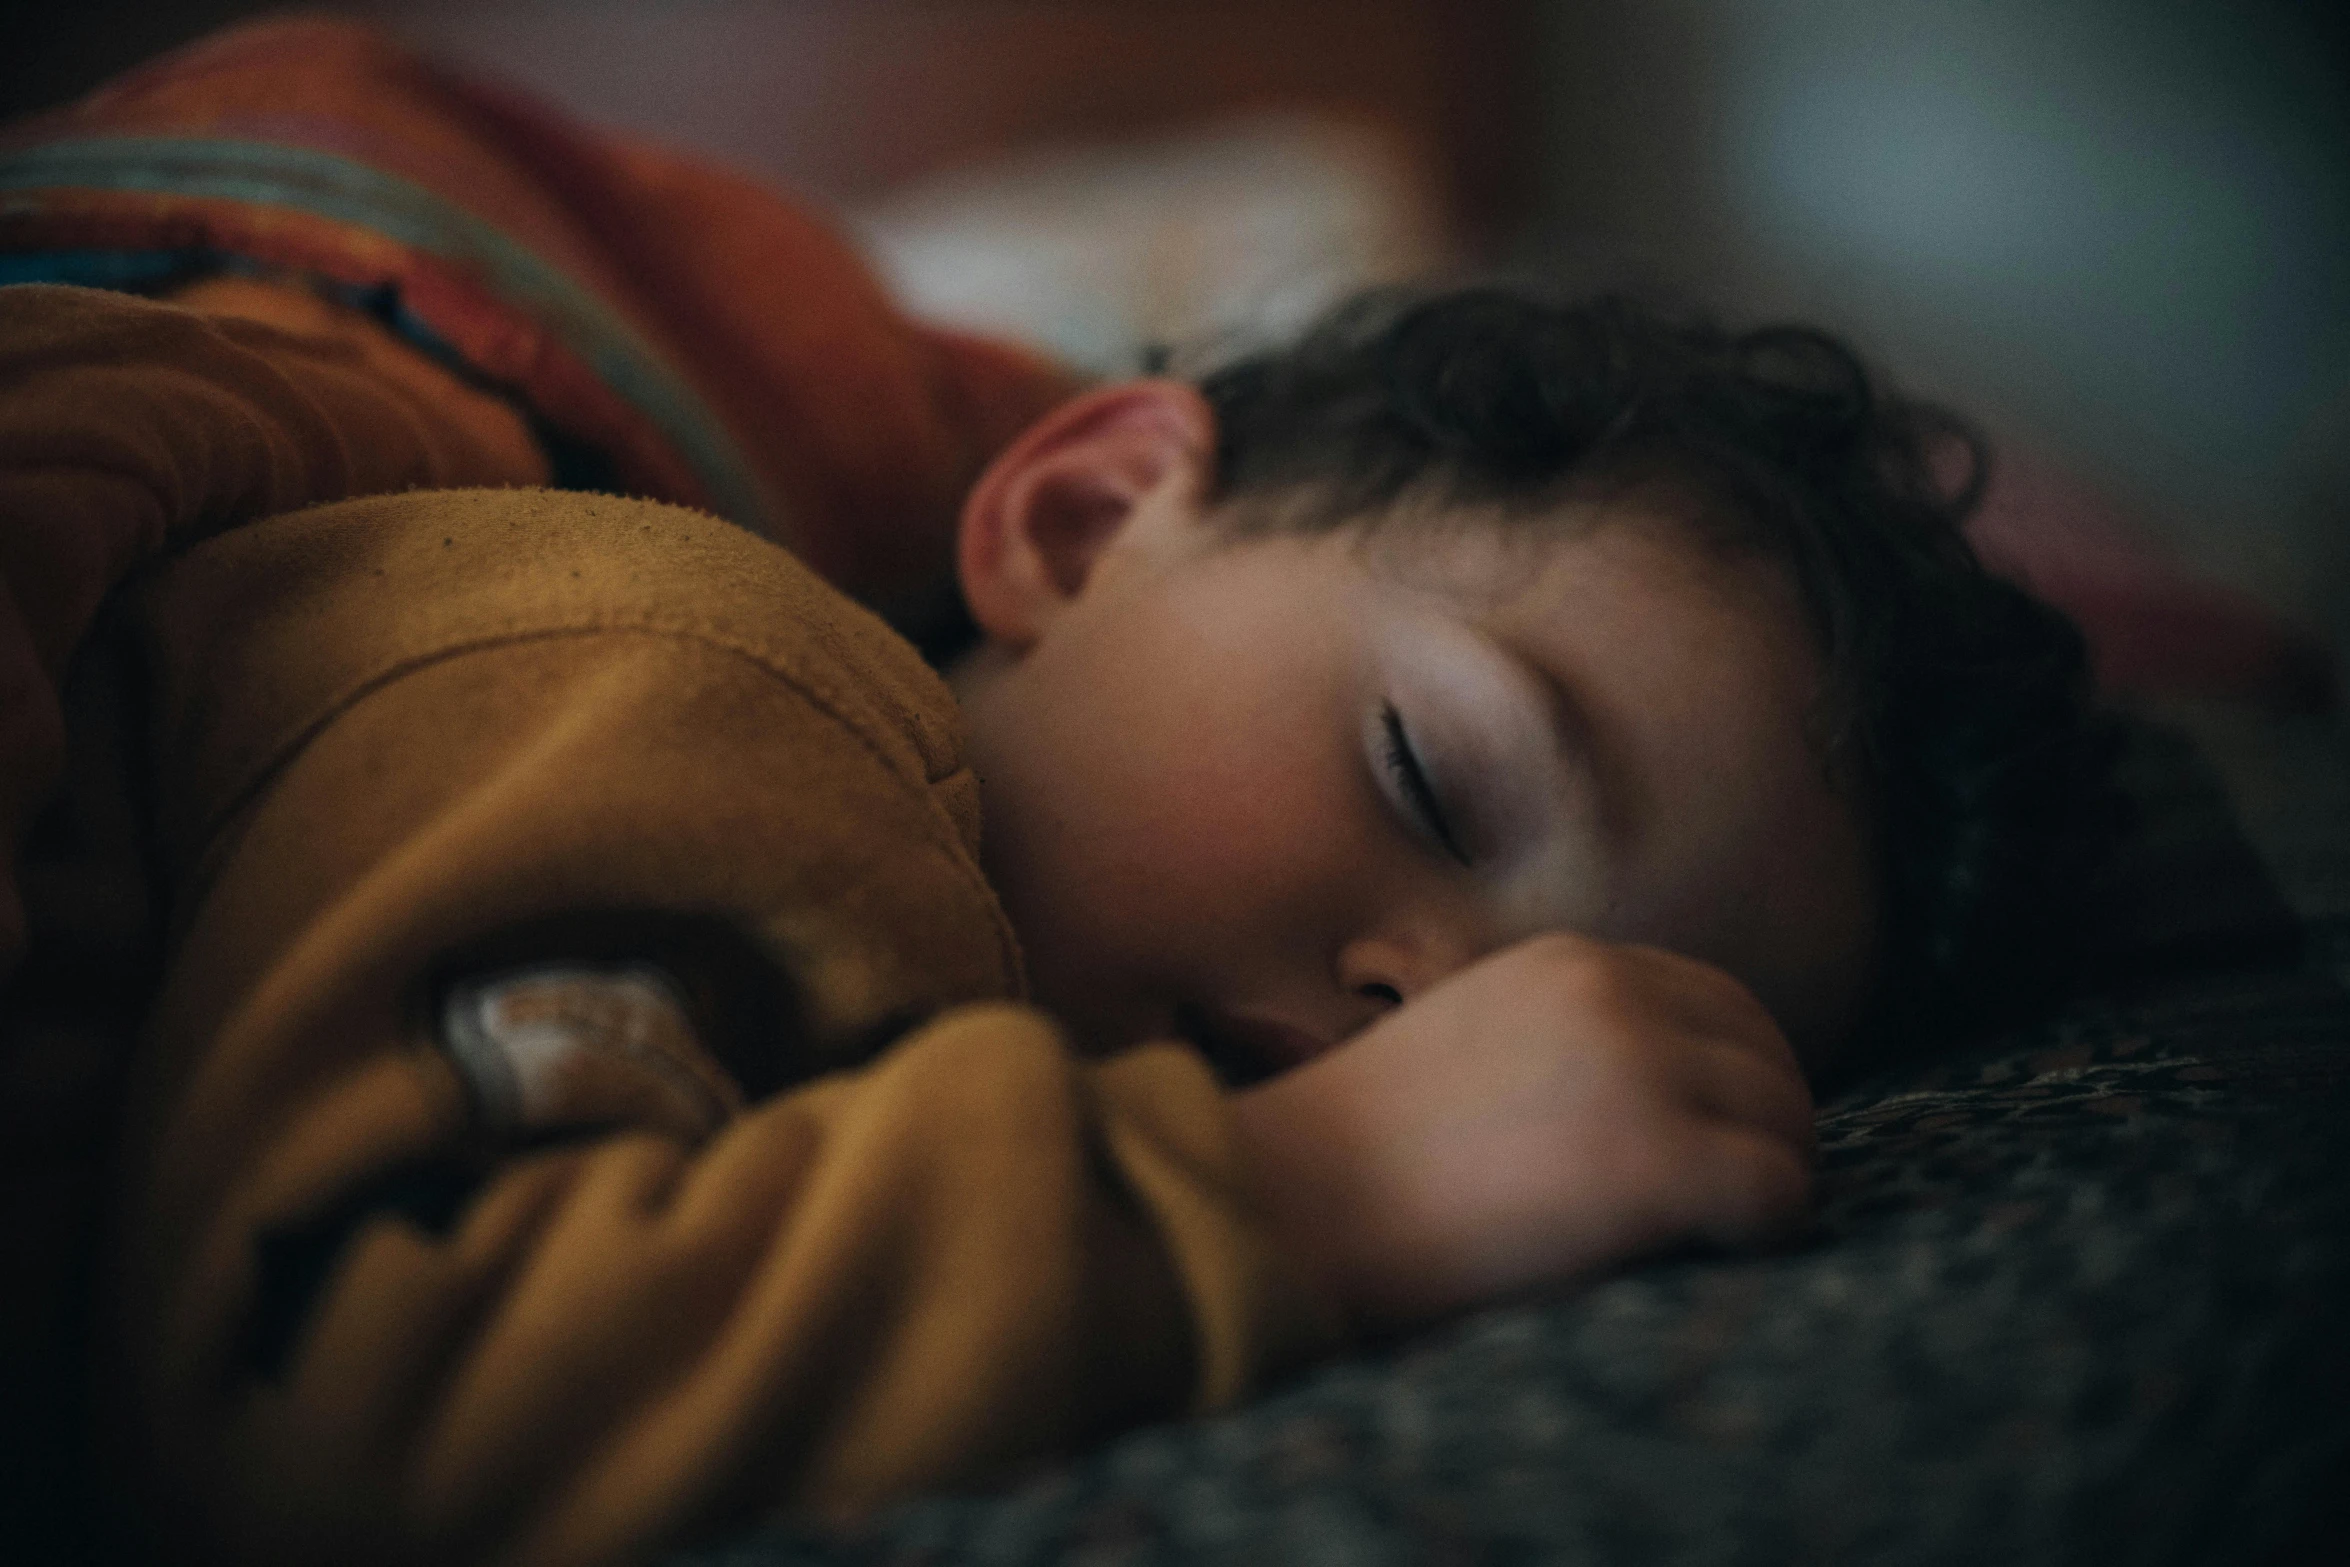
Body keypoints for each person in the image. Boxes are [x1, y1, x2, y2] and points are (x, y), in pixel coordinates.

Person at [0, 272, 2106, 1567]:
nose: (1435, 1021)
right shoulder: (687, 664)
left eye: (1577, 1014)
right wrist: (1310, 1190)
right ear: (1086, 520)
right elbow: (362, 1408)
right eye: (1431, 779)